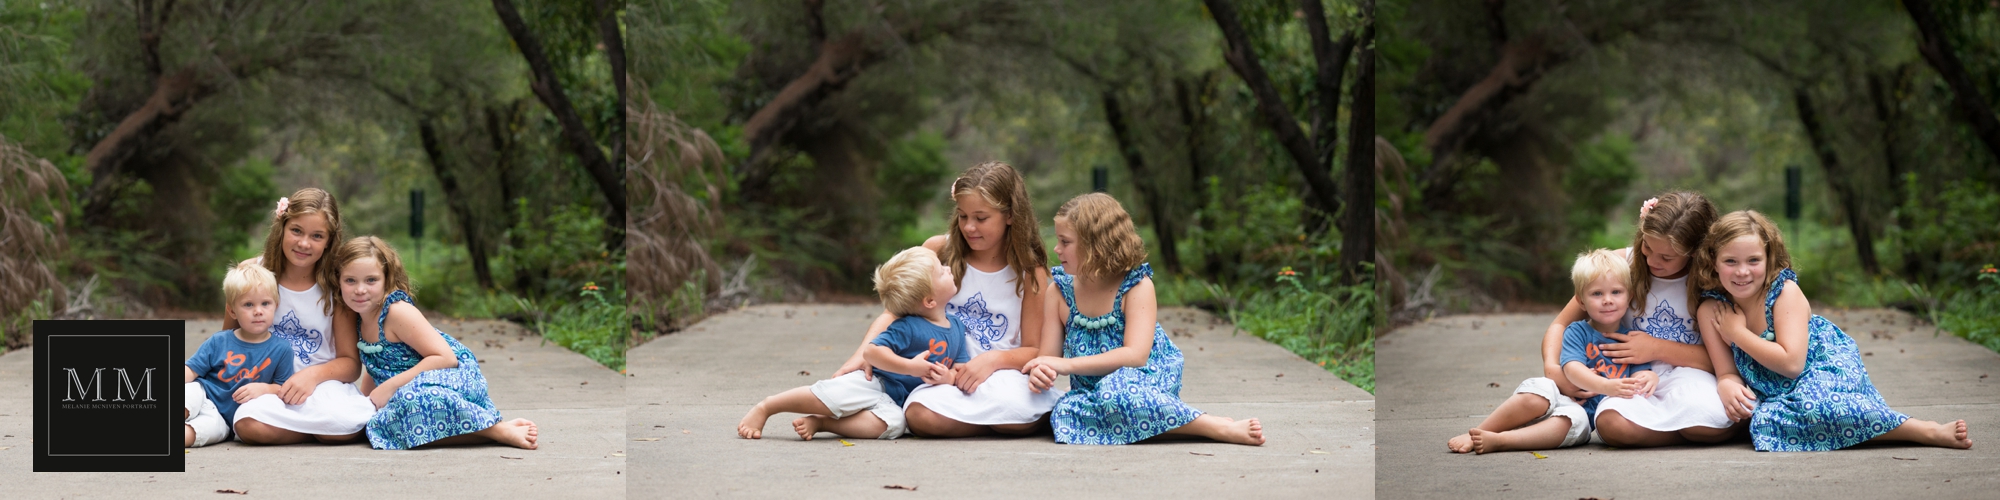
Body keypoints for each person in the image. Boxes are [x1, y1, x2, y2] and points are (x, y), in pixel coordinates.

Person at [1694, 210, 1970, 451]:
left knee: (1819, 406)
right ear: (1713, 262)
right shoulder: (1711, 310)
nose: (1742, 271)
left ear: (1769, 259)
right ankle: (1849, 429)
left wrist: (1738, 334)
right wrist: (1726, 383)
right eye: (1731, 261)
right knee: (1766, 424)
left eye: (1753, 260)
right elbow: (1727, 370)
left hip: (1821, 368)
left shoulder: (1783, 293)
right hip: (1776, 394)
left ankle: (1921, 430)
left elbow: (1791, 364)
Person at [1023, 193, 1263, 445]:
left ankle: (1211, 426)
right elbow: (1049, 357)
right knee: (1064, 414)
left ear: (1096, 244)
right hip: (1090, 390)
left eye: (1065, 241)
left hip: (1145, 377)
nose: (1056, 249)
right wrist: (1042, 371)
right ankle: (1173, 420)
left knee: (1115, 395)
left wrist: (1068, 365)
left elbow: (1135, 356)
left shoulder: (1136, 285)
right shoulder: (1059, 291)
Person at [738, 246, 969, 440]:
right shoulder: (909, 326)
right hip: (875, 381)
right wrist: (910, 368)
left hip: (898, 400)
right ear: (929, 300)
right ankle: (768, 406)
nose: (948, 268)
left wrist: (948, 378)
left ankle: (823, 424)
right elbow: (872, 353)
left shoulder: (957, 327)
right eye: (941, 271)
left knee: (893, 425)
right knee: (834, 397)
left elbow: (959, 367)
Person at [337, 236, 537, 450]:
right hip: (408, 388)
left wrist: (390, 387)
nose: (360, 289)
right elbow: (377, 364)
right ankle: (488, 429)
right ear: (338, 280)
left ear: (387, 279)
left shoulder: (396, 312)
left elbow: (445, 358)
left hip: (452, 379)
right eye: (350, 280)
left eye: (371, 280)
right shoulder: (356, 316)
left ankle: (498, 431)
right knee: (381, 423)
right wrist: (368, 402)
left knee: (410, 401)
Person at [1448, 249, 1657, 453]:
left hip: (1585, 412)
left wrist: (1647, 377)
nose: (1608, 300)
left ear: (1629, 296)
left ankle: (1502, 440)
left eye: (1616, 292)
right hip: (1561, 393)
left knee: (1575, 423)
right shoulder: (1578, 331)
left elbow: (1639, 371)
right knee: (1541, 389)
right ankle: (1480, 430)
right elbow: (1572, 368)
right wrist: (1605, 385)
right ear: (1581, 301)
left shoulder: (1632, 339)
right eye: (1597, 293)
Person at [228, 189, 374, 445]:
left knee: (346, 422)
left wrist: (311, 376)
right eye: (296, 231)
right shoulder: (251, 272)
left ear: (329, 241)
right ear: (281, 227)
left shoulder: (336, 285)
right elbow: (225, 342)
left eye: (317, 236)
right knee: (248, 424)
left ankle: (323, 429)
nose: (304, 243)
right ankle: (318, 432)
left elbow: (351, 364)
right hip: (268, 387)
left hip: (322, 386)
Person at [185, 261, 297, 447]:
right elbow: (191, 370)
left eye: (265, 303)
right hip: (203, 394)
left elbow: (283, 388)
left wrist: (264, 389)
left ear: (275, 306)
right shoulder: (219, 341)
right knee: (188, 395)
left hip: (225, 420)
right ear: (232, 311)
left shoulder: (281, 349)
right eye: (248, 304)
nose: (258, 311)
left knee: (192, 435)